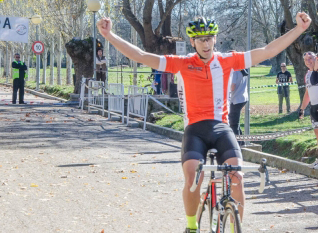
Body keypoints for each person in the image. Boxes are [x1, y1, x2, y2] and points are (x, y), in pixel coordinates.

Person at [97, 12, 311, 233]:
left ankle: (235, 228)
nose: (206, 44)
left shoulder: (228, 60)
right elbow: (142, 56)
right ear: (193, 42)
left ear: (215, 39)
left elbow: (267, 51)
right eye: (200, 39)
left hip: (221, 128)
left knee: (237, 177)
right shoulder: (182, 63)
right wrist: (109, 34)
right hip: (195, 131)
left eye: (209, 38)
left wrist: (299, 29)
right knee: (192, 177)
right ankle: (191, 226)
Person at [299, 52, 318, 169]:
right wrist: (302, 109)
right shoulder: (308, 74)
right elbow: (307, 93)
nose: (308, 61)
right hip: (313, 108)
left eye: (310, 58)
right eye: (306, 59)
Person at [229, 68, 249, 146]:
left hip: (236, 99)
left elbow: (232, 87)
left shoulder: (234, 71)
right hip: (243, 98)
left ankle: (237, 143)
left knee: (233, 123)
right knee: (235, 121)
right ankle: (241, 141)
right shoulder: (243, 71)